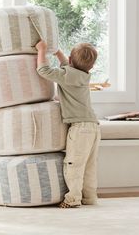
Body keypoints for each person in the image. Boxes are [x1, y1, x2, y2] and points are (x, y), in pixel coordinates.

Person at [36, 40, 101, 208]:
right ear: (91, 67)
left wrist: (42, 50)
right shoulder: (83, 75)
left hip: (80, 128)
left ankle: (72, 199)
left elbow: (44, 70)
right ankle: (89, 197)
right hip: (93, 127)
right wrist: (57, 53)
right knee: (89, 166)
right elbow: (68, 66)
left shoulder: (68, 74)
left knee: (74, 163)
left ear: (71, 58)